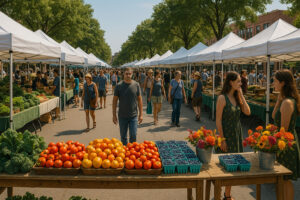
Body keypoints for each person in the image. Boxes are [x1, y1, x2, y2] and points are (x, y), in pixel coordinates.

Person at [216, 71, 251, 200]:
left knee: (233, 166)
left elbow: (248, 112)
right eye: (238, 81)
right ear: (231, 82)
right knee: (223, 167)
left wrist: (241, 96)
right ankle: (217, 195)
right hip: (226, 134)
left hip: (236, 134)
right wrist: (222, 139)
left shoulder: (237, 97)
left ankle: (227, 195)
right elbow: (218, 120)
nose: (241, 83)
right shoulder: (222, 98)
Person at [272, 70, 300, 200]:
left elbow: (283, 131)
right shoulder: (285, 100)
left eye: (275, 81)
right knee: (282, 180)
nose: (273, 84)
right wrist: (278, 99)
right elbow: (273, 115)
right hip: (284, 143)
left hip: (286, 145)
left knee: (285, 180)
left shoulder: (288, 103)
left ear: (282, 83)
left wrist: (276, 148)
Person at [113, 67, 143, 145]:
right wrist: (114, 115)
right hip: (122, 116)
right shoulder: (118, 86)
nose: (128, 75)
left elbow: (140, 100)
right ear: (123, 74)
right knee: (123, 137)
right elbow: (114, 101)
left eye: (129, 74)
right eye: (126, 74)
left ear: (132, 74)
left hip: (134, 116)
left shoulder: (136, 85)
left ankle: (132, 153)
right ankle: (125, 153)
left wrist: (141, 114)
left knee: (133, 136)